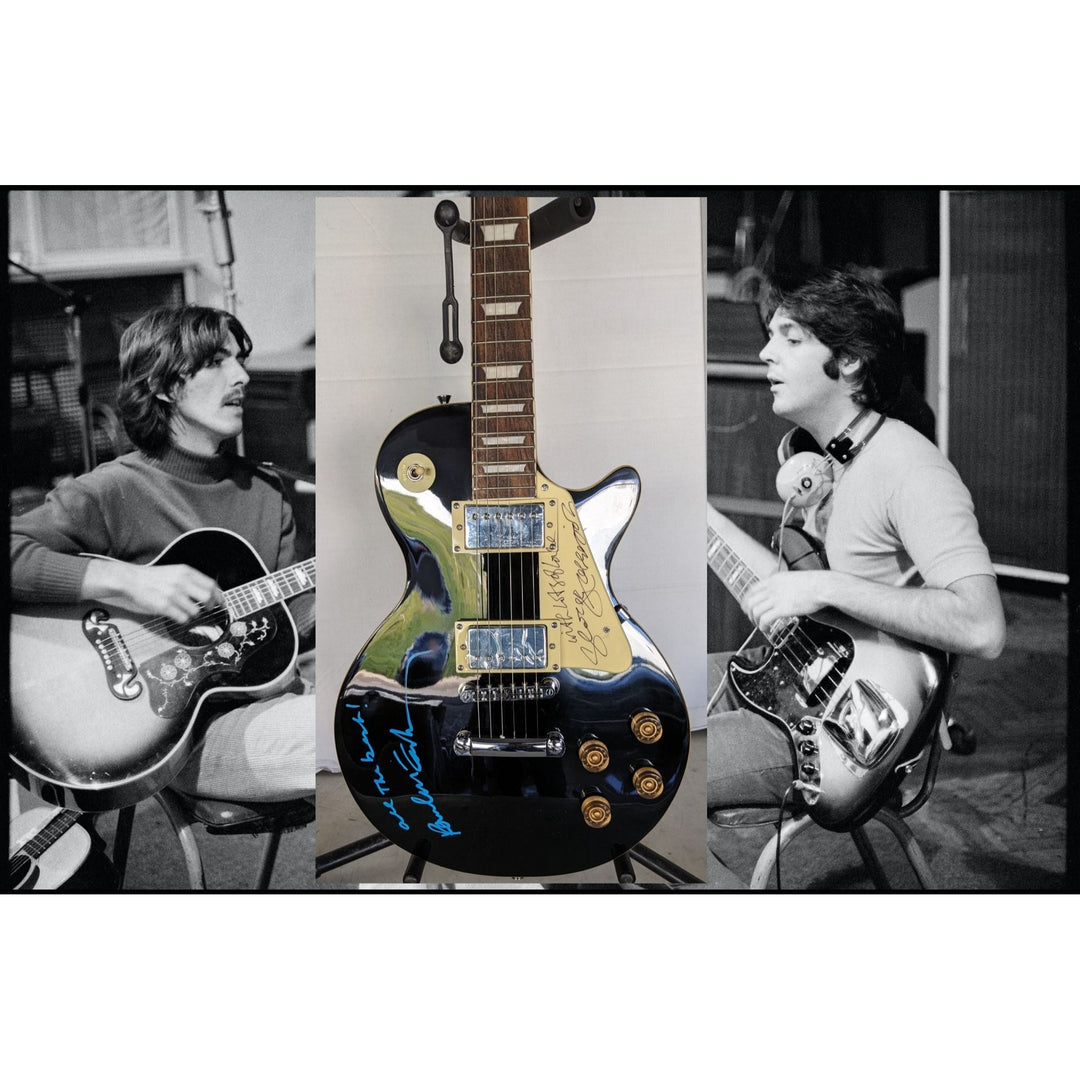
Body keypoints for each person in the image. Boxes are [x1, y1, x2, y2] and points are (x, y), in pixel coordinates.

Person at [707, 271, 1005, 875]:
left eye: (790, 339)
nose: (765, 353)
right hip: (790, 678)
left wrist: (826, 585)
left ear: (848, 362)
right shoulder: (821, 464)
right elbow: (790, 594)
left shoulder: (910, 468)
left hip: (834, 731)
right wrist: (699, 518)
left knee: (640, 761)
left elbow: (983, 627)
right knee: (630, 694)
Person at [10, 305, 315, 822]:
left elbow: (291, 627)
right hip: (190, 738)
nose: (242, 376)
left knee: (409, 707)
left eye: (240, 360)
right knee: (371, 728)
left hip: (275, 703)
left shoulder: (268, 491)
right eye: (216, 361)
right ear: (165, 385)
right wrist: (127, 581)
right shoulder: (114, 489)